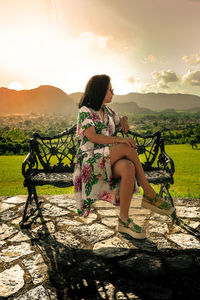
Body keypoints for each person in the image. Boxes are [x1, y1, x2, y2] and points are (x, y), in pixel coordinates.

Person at [73, 74, 175, 239]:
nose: (112, 93)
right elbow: (93, 137)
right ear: (100, 91)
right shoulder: (85, 111)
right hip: (90, 160)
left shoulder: (108, 111)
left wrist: (124, 119)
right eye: (109, 89)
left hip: (107, 159)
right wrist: (120, 139)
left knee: (129, 167)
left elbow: (120, 121)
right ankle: (149, 193)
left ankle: (124, 220)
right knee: (126, 147)